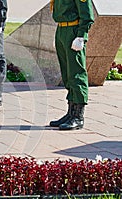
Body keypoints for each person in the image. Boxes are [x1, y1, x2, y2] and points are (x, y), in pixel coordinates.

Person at [49, 0, 94, 130]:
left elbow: (87, 15)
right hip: (61, 29)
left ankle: (78, 116)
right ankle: (70, 113)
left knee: (76, 73)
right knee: (67, 74)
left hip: (73, 31)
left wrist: (81, 36)